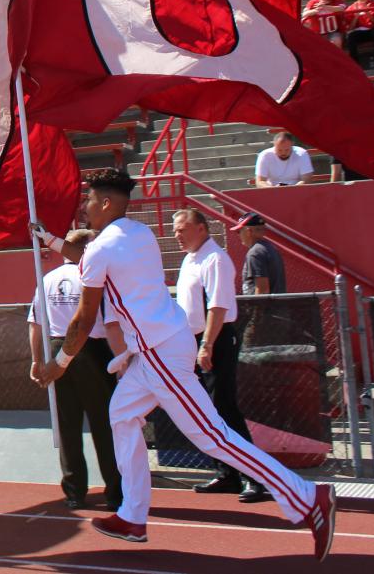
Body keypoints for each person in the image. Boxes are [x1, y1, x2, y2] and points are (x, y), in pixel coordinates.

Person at [33, 169, 334, 558]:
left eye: (89, 201)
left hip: (160, 353)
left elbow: (84, 317)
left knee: (214, 437)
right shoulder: (138, 234)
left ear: (106, 203)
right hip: (154, 351)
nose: (84, 207)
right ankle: (132, 515)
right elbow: (89, 258)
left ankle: (309, 497)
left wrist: (58, 363)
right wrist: (52, 241)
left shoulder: (103, 250)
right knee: (121, 416)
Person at [173, 209, 269, 503]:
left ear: (201, 228)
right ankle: (227, 473)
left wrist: (207, 345)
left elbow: (218, 307)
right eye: (175, 229)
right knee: (207, 411)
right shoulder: (191, 259)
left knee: (224, 409)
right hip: (193, 341)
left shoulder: (215, 259)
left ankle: (256, 477)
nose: (177, 234)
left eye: (182, 228)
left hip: (215, 340)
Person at [27, 229, 123, 511]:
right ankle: (116, 492)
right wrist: (121, 360)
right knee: (104, 424)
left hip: (57, 347)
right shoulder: (94, 278)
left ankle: (74, 492)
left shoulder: (47, 279)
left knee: (67, 424)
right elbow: (112, 323)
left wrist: (36, 360)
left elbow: (35, 323)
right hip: (91, 348)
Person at [236, 214, 286, 295]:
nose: (238, 235)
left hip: (267, 307)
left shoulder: (255, 253)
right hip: (277, 306)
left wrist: (257, 307)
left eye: (239, 231)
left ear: (249, 232)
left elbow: (262, 292)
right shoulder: (270, 248)